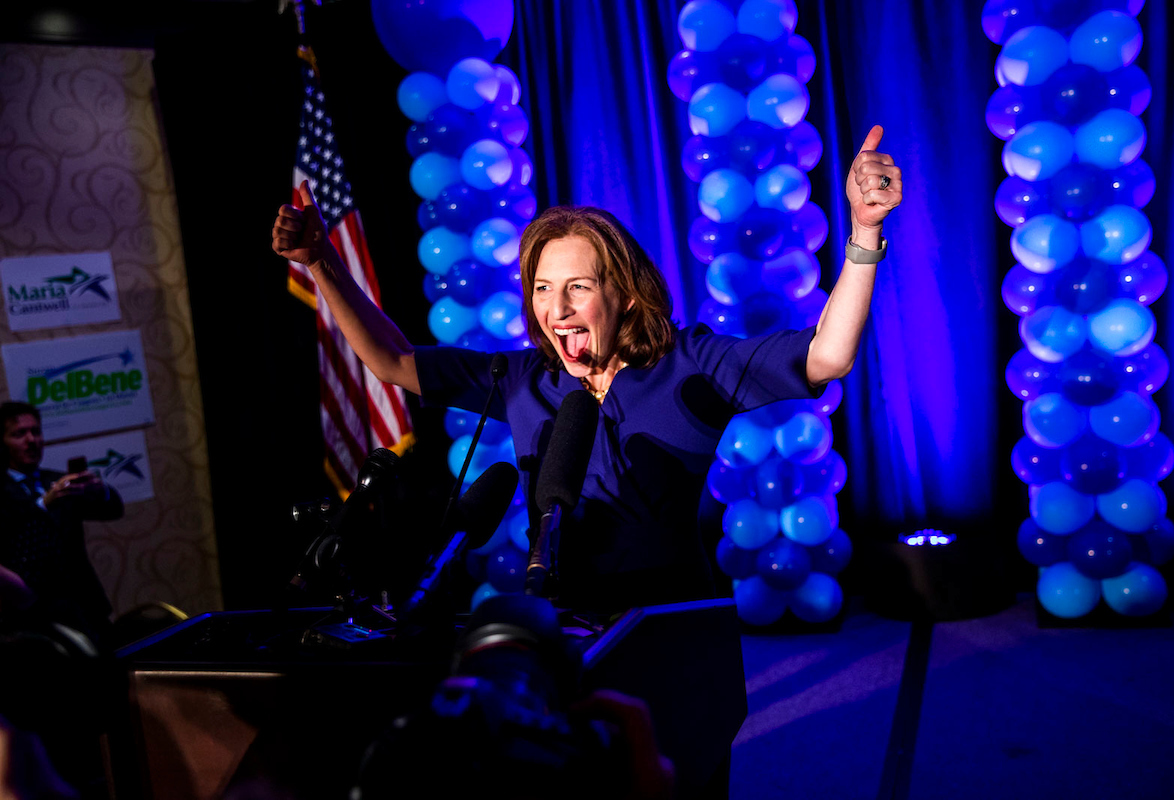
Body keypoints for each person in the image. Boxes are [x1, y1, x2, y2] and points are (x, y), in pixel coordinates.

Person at [272, 125, 901, 615]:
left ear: (623, 293)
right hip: (565, 623)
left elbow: (828, 354)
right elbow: (392, 360)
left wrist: (864, 231)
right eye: (543, 288)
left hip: (673, 620)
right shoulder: (521, 381)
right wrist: (321, 264)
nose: (556, 309)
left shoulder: (689, 363)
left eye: (577, 287)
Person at [0, 400, 123, 649]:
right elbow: (12, 532)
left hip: (86, 607)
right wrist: (44, 504)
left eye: (36, 431)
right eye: (19, 434)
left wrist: (101, 491)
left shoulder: (57, 480)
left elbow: (113, 510)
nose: (31, 440)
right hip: (32, 617)